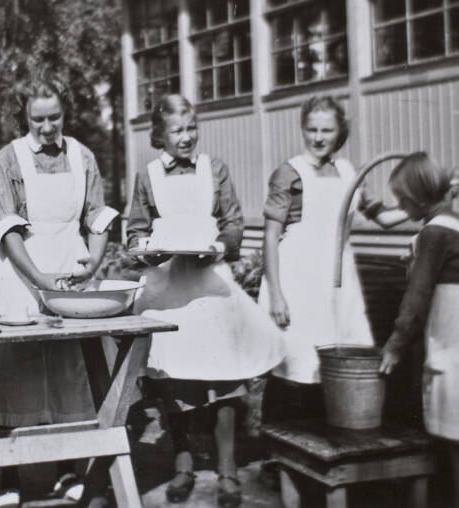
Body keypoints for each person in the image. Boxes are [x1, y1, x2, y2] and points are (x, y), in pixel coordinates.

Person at [127, 94, 283, 507]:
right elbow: (135, 231)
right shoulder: (148, 177)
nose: (186, 137)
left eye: (191, 128)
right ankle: (182, 465)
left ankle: (228, 468)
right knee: (174, 377)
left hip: (211, 281)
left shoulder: (214, 169)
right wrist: (150, 251)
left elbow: (233, 221)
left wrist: (220, 245)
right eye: (177, 130)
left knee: (225, 377)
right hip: (169, 286)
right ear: (159, 135)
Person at [0, 72, 119, 507]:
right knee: (12, 375)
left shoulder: (82, 156)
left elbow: (96, 219)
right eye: (37, 119)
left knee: (68, 374)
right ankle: (9, 478)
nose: (46, 127)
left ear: (64, 113)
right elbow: (5, 228)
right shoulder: (8, 159)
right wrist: (39, 278)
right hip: (21, 271)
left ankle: (66, 470)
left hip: (72, 269)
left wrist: (93, 261)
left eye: (54, 117)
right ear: (25, 116)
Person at [258, 95, 407, 503]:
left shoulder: (348, 171)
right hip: (297, 282)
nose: (319, 137)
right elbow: (271, 236)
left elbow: (384, 217)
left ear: (339, 131)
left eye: (327, 130)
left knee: (339, 372)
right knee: (294, 371)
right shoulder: (289, 173)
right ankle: (282, 463)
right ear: (302, 129)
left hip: (338, 286)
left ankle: (331, 461)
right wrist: (276, 292)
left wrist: (430, 201)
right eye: (312, 129)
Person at [379, 152, 459, 508]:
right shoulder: (452, 223)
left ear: (417, 197)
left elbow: (418, 296)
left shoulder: (434, 232)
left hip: (451, 337)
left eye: (402, 200)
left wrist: (396, 344)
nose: (400, 206)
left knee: (454, 432)